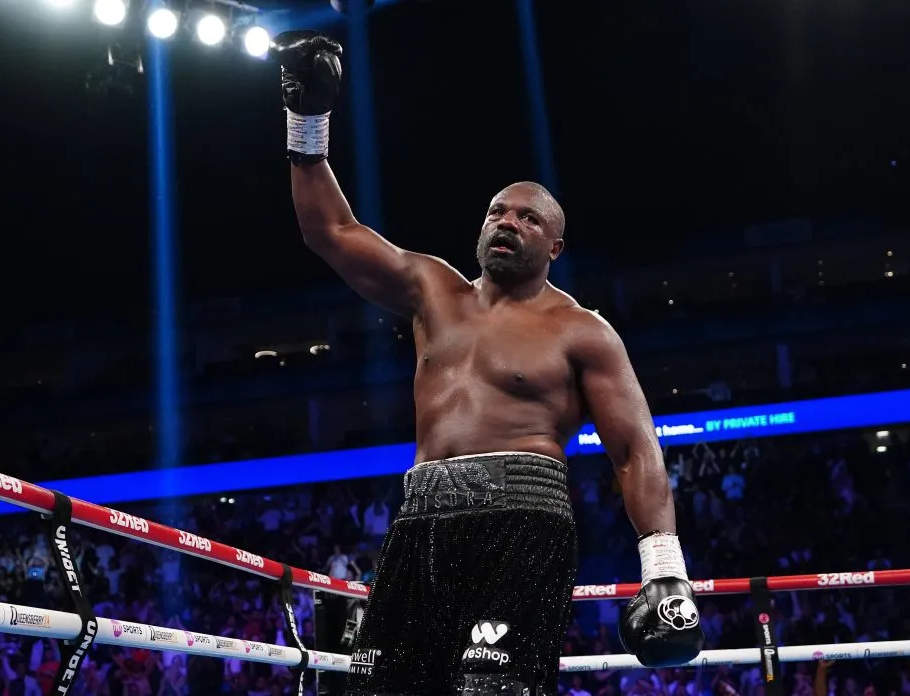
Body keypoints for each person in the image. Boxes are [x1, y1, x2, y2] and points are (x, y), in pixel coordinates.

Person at [275, 30, 704, 696]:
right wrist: (308, 119)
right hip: (421, 518)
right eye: (497, 211)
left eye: (528, 218)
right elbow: (329, 231)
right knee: (379, 688)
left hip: (522, 518)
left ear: (555, 246)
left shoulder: (581, 330)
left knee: (492, 690)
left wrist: (665, 570)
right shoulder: (432, 291)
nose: (507, 222)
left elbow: (633, 449)